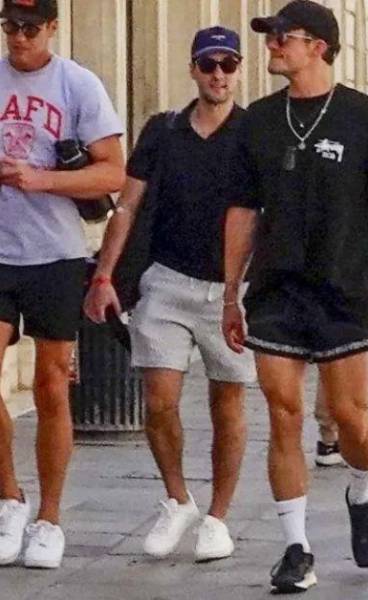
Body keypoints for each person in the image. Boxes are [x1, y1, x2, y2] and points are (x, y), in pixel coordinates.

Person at [221, 1, 368, 593]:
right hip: (277, 289)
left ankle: (361, 492)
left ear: (318, 46)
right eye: (270, 36)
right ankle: (296, 548)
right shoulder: (259, 120)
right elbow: (242, 210)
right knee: (283, 412)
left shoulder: (364, 116)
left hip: (344, 287)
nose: (271, 45)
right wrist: (231, 292)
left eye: (282, 36)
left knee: (351, 418)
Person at [84, 27, 254, 563]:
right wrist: (104, 274)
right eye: (209, 64)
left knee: (228, 401)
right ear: (193, 69)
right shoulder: (163, 131)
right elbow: (127, 206)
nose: (218, 74)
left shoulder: (254, 133)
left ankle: (218, 518)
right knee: (159, 402)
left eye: (228, 64)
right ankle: (178, 499)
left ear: (238, 70)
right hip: (166, 281)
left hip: (232, 289)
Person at [0, 0, 124, 569]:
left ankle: (50, 518)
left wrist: (41, 179)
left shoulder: (78, 85)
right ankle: (10, 498)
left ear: (52, 27)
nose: (19, 38)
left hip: (55, 254)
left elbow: (112, 171)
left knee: (51, 385)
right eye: (10, 27)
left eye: (30, 28)